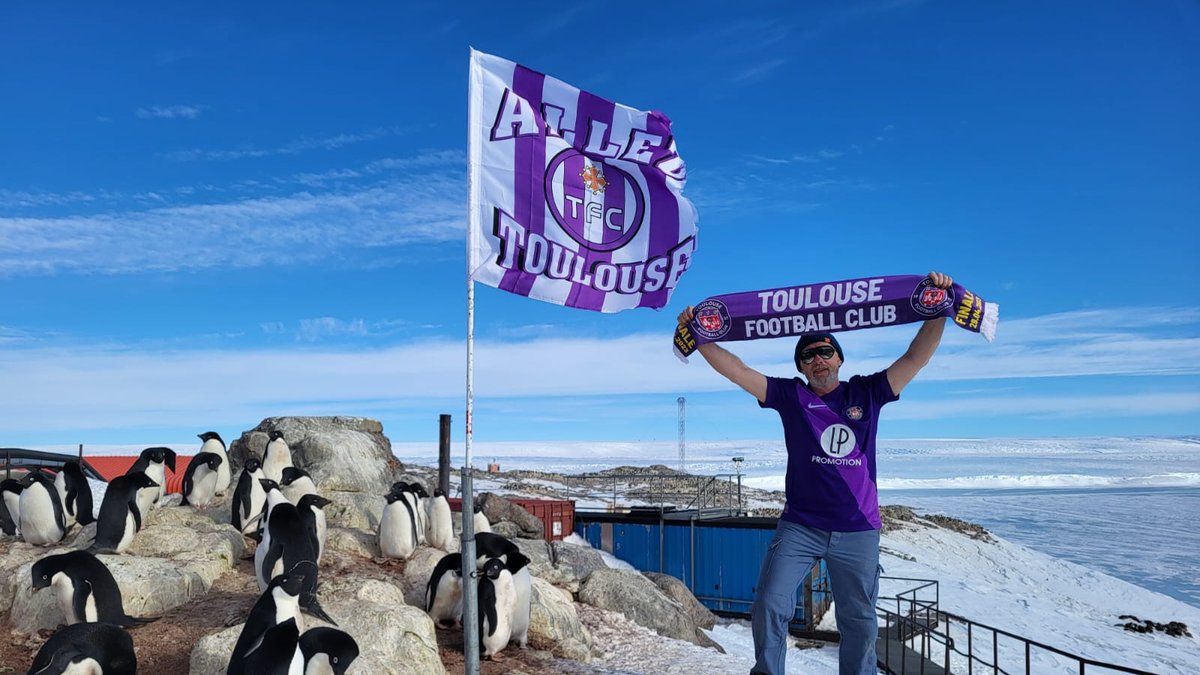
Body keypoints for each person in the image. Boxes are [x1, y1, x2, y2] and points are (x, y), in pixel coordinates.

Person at [676, 271, 954, 675]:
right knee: (771, 603)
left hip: (857, 528)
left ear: (839, 358)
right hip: (801, 525)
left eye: (825, 351)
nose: (818, 360)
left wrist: (938, 309)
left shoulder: (868, 393)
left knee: (858, 620)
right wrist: (701, 337)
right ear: (801, 367)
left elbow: (915, 357)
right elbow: (737, 370)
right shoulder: (791, 396)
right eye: (808, 356)